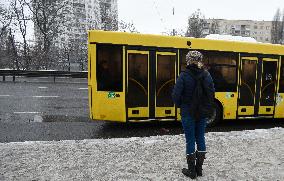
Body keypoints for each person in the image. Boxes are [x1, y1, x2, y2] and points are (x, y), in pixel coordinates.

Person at [172, 50, 215, 179]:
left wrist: (182, 105)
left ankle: (192, 171)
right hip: (202, 113)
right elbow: (212, 94)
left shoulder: (184, 75)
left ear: (188, 60)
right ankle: (199, 169)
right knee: (200, 137)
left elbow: (175, 96)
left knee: (190, 139)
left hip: (188, 113)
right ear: (200, 60)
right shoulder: (207, 75)